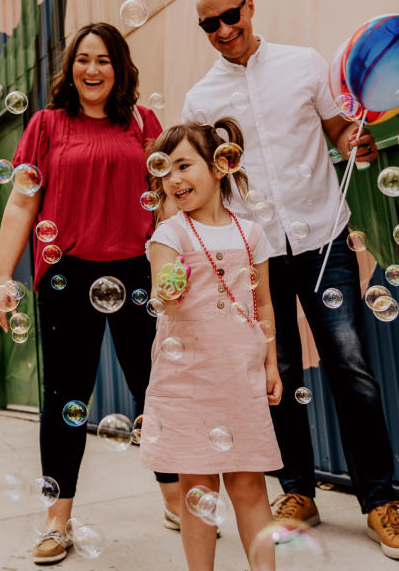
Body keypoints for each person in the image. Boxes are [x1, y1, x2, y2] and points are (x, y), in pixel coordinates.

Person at [181, 0, 399, 560]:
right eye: (209, 24)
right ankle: (297, 491)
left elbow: (338, 127)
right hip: (254, 255)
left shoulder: (303, 64)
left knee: (352, 367)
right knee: (278, 373)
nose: (223, 30)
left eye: (230, 16)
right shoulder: (200, 99)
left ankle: (379, 502)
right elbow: (201, 182)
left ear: (250, 7)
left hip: (324, 236)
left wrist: (353, 143)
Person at [0, 22, 180, 565]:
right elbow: (23, 204)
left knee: (155, 390)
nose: (91, 70)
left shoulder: (144, 124)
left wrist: (174, 267)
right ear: (69, 67)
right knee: (64, 400)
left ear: (119, 68)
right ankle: (57, 521)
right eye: (82, 59)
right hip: (66, 274)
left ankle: (175, 500)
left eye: (103, 60)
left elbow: (164, 201)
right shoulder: (47, 125)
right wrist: (5, 278)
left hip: (138, 271)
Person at [142, 119, 283, 571]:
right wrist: (170, 284)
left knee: (248, 485)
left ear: (221, 164)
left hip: (239, 376)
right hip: (187, 379)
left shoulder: (251, 234)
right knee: (197, 489)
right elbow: (164, 294)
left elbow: (263, 307)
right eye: (164, 171)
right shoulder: (170, 233)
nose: (173, 179)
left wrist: (272, 366)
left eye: (184, 165)